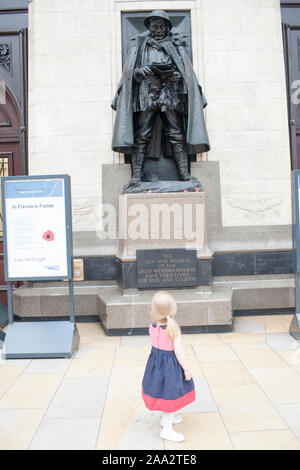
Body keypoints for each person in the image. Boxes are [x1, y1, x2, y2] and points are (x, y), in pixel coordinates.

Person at [111, 9, 210, 185]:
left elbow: (185, 74)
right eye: (154, 27)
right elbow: (130, 74)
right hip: (146, 94)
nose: (157, 30)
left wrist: (178, 77)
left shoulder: (176, 49)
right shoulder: (138, 48)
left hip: (169, 95)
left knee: (176, 134)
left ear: (166, 29)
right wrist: (141, 71)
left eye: (161, 27)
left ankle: (184, 175)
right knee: (142, 135)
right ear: (149, 28)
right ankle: (137, 176)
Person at [142, 291, 195, 442]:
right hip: (170, 368)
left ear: (154, 310)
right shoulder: (173, 330)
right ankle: (167, 430)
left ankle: (166, 419)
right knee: (169, 395)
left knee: (162, 392)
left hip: (155, 366)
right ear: (173, 310)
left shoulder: (151, 326)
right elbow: (178, 353)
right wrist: (186, 368)